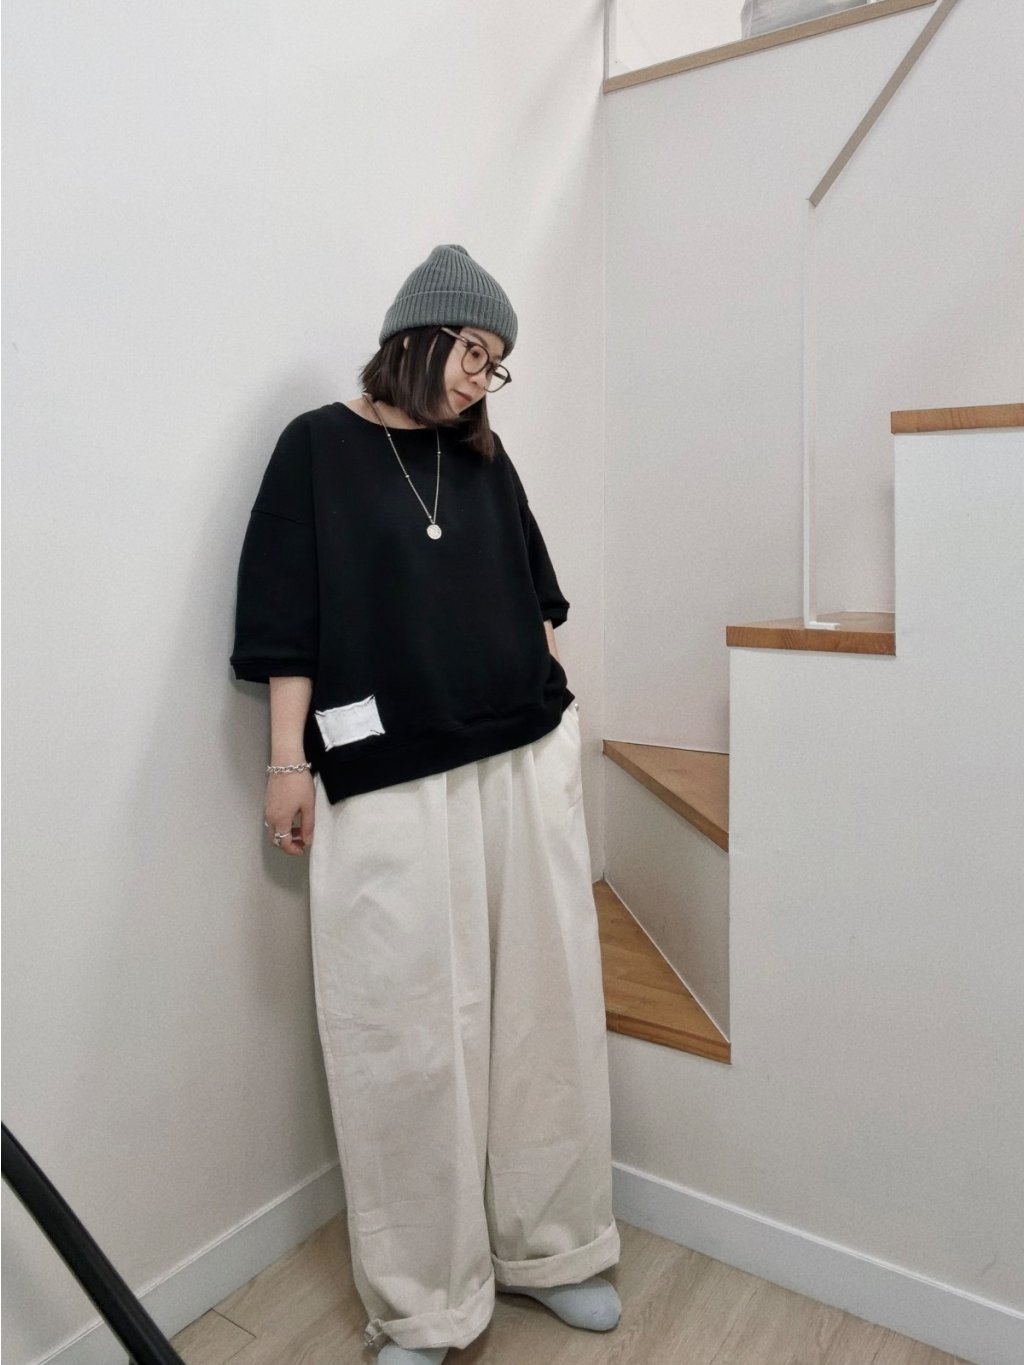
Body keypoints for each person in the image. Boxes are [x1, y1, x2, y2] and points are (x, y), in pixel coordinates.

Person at [231, 245, 620, 1363]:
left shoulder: (484, 460)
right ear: (418, 336)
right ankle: (424, 1299)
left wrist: (560, 731)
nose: (480, 380)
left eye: (495, 365)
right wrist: (286, 763)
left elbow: (538, 601)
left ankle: (553, 1246)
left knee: (542, 1009)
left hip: (521, 755)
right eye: (472, 353)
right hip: (387, 775)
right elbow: (285, 621)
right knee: (402, 1032)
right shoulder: (316, 447)